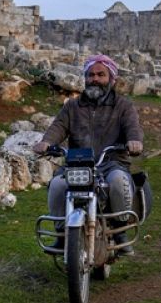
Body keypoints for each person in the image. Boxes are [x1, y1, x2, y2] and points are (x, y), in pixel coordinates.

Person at [32, 54, 144, 254]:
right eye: (90, 74)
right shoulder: (73, 106)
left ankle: (119, 231)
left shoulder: (123, 106)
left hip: (111, 163)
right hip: (78, 163)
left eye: (101, 74)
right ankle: (61, 234)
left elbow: (133, 128)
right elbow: (58, 127)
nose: (95, 79)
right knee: (58, 185)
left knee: (119, 181)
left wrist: (134, 142)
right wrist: (46, 142)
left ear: (112, 78)